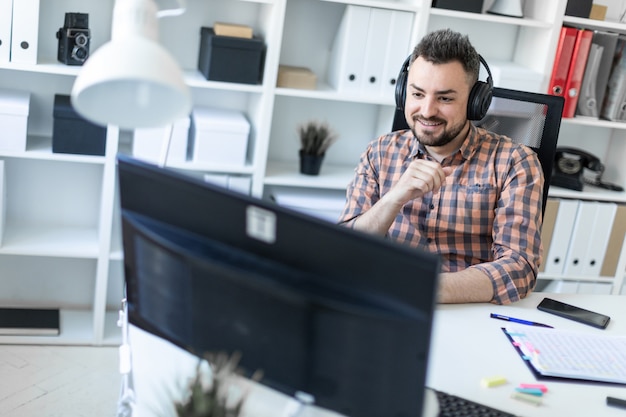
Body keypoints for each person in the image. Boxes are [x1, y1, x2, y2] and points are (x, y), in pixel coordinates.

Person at [337, 29, 543, 305]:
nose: (427, 110)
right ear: (402, 93)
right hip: (386, 304)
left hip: (468, 310)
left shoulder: (514, 162)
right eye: (418, 94)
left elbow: (520, 268)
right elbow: (344, 250)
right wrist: (393, 198)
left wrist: (420, 287)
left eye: (445, 98)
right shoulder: (379, 153)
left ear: (475, 102)